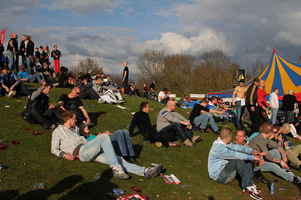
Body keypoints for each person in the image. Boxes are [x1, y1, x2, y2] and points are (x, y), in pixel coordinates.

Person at [51, 110, 163, 180]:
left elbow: (85, 138)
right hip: (81, 152)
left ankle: (145, 172)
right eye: (75, 119)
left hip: (89, 149)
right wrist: (64, 155)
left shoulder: (75, 129)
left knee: (118, 159)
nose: (76, 121)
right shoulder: (58, 131)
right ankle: (116, 168)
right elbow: (54, 148)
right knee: (104, 137)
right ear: (69, 119)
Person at [208, 128, 263, 200]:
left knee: (246, 157)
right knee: (237, 159)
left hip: (224, 170)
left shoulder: (224, 143)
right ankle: (248, 187)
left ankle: (250, 184)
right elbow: (235, 155)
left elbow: (238, 147)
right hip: (218, 176)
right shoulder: (219, 148)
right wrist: (253, 157)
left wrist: (251, 151)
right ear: (229, 137)